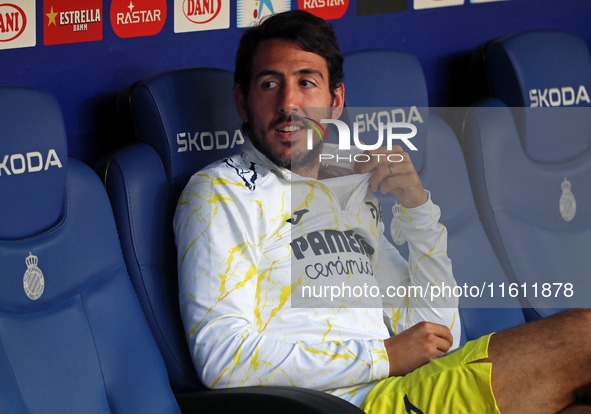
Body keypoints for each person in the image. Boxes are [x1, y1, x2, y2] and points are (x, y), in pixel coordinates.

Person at [174, 10, 591, 414]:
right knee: (583, 335)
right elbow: (221, 358)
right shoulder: (219, 193)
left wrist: (417, 212)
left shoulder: (344, 191)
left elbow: (437, 332)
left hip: (401, 390)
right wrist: (384, 356)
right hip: (346, 405)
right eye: (269, 84)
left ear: (335, 101)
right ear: (243, 103)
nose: (289, 103)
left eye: (307, 83)